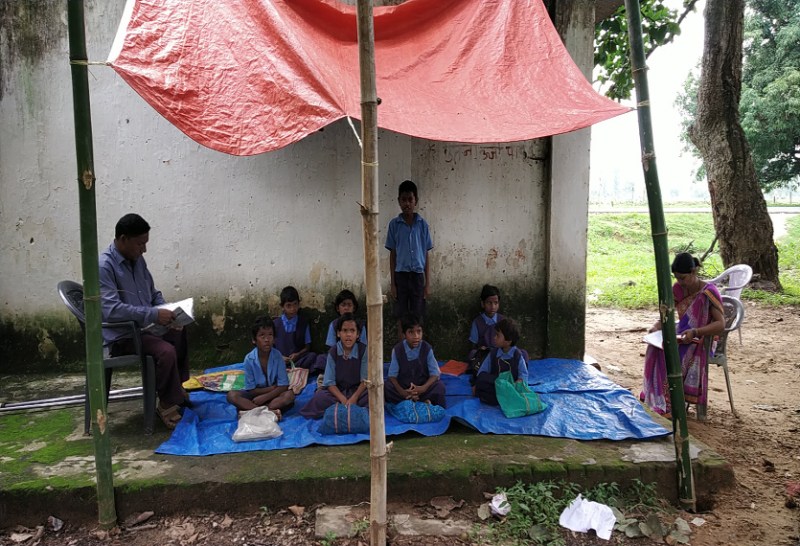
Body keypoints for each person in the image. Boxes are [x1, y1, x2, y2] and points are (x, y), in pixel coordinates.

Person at [99, 213, 190, 430]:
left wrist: (168, 311)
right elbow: (112, 310)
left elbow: (153, 294)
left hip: (145, 328)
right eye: (140, 244)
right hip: (123, 335)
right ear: (122, 239)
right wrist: (153, 315)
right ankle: (167, 403)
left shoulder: (138, 261)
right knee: (165, 351)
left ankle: (176, 391)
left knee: (180, 331)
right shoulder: (105, 266)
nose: (144, 249)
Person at [640, 252, 725, 417]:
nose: (680, 282)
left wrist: (696, 331)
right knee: (654, 349)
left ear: (693, 272)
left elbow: (720, 324)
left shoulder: (708, 292)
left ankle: (669, 402)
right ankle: (655, 396)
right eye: (677, 278)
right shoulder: (677, 289)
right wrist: (656, 327)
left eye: (683, 278)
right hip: (682, 334)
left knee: (671, 354)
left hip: (702, 339)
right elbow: (668, 314)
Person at [385, 179, 433, 339]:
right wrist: (393, 284)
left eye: (410, 200)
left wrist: (427, 284)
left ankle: (417, 349)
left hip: (418, 277)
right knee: (401, 315)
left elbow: (426, 254)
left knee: (418, 314)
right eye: (403, 200)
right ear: (399, 201)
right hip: (401, 276)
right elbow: (392, 255)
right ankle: (401, 351)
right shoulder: (394, 225)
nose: (407, 204)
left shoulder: (422, 225)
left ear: (415, 201)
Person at [300, 313, 368, 419]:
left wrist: (354, 398)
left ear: (358, 334)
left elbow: (365, 380)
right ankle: (348, 410)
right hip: (338, 390)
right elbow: (329, 382)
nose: (348, 334)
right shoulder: (333, 351)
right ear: (338, 333)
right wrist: (343, 399)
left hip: (357, 390)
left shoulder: (363, 350)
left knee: (373, 395)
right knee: (320, 397)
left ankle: (341, 410)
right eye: (345, 330)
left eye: (352, 331)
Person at [227, 316, 295, 418]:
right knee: (232, 395)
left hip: (273, 396)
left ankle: (256, 411)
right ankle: (269, 412)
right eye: (262, 336)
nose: (267, 339)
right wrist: (271, 388)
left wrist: (265, 396)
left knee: (289, 396)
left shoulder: (278, 356)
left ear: (274, 339)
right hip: (255, 397)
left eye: (270, 335)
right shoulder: (249, 359)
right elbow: (251, 390)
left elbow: (283, 386)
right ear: (254, 340)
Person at [384, 314, 446, 407]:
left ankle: (415, 401)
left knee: (440, 387)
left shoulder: (427, 348)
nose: (416, 336)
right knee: (387, 387)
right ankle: (418, 401)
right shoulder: (397, 350)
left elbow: (435, 374)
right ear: (404, 334)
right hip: (405, 389)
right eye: (411, 332)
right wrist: (403, 392)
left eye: (419, 331)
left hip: (423, 388)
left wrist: (423, 388)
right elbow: (392, 377)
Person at [473, 318, 528, 406]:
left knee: (517, 390)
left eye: (498, 335)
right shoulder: (493, 354)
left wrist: (518, 382)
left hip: (511, 386)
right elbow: (482, 372)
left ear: (508, 341)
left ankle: (501, 397)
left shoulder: (517, 356)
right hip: (496, 384)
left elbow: (523, 375)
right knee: (482, 379)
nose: (494, 338)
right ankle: (502, 398)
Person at [312, 289, 368, 373]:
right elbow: (332, 347)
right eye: (343, 305)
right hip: (339, 356)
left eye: (349, 305)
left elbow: (363, 346)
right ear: (338, 308)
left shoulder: (360, 325)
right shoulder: (334, 325)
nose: (346, 308)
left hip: (355, 357)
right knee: (321, 359)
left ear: (354, 308)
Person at [272, 286, 317, 370]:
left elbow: (307, 347)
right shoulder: (275, 324)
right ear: (282, 306)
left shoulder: (303, 323)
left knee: (312, 356)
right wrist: (280, 357)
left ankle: (292, 370)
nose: (293, 309)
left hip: (297, 360)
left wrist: (298, 354)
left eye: (295, 304)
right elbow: (270, 347)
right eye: (288, 306)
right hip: (279, 360)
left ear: (299, 304)